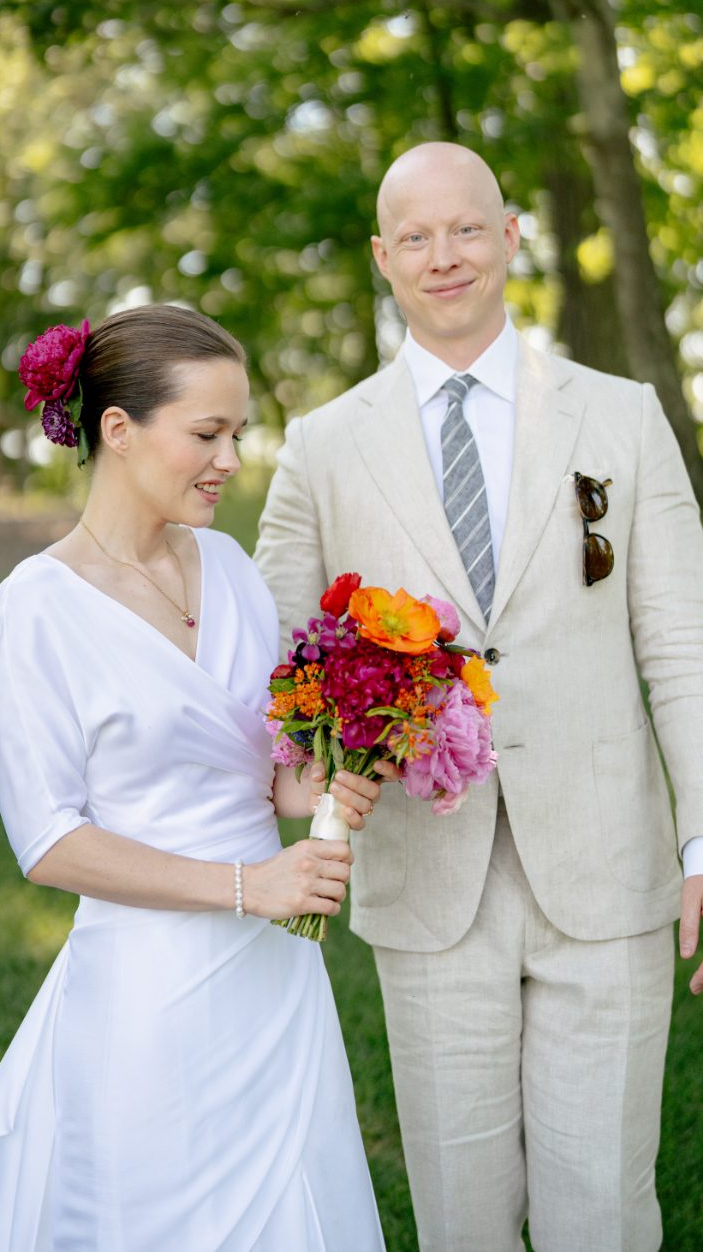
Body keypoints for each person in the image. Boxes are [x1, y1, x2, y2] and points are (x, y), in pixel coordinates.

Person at [255, 141, 703, 1252]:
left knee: (600, 1206)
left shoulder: (621, 417)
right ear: (381, 257)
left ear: (509, 237)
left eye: (466, 229)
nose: (442, 255)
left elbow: (683, 649)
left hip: (607, 874)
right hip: (427, 878)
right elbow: (271, 666)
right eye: (414, 236)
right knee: (460, 1216)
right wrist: (300, 789)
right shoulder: (320, 447)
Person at [0, 304, 388, 1252]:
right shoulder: (32, 614)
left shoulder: (231, 570)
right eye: (207, 433)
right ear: (118, 429)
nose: (231, 457)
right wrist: (248, 885)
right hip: (150, 990)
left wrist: (321, 787)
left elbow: (258, 776)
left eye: (238, 431)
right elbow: (49, 842)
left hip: (275, 978)